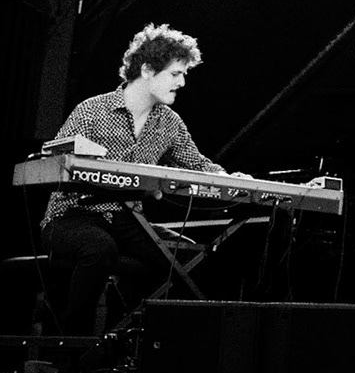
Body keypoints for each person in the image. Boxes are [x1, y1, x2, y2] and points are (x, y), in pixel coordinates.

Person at [40, 24, 240, 334]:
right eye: (176, 74)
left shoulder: (169, 122)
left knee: (186, 255)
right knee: (99, 248)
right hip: (72, 217)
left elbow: (198, 164)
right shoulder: (92, 111)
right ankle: (69, 352)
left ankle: (137, 345)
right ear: (147, 70)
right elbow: (56, 162)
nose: (182, 82)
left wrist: (233, 180)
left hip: (126, 220)